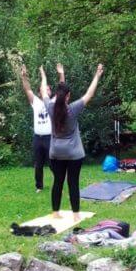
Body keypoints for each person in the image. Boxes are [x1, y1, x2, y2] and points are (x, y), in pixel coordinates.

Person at [40, 63, 104, 222]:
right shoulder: (73, 109)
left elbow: (43, 91)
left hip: (56, 152)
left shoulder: (50, 107)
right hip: (74, 153)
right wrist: (97, 75)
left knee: (58, 182)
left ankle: (55, 212)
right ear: (68, 96)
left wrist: (43, 75)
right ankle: (75, 214)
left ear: (56, 94)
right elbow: (89, 93)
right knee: (73, 183)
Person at [21, 63, 65, 192]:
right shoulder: (35, 102)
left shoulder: (53, 102)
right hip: (37, 138)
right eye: (44, 89)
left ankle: (59, 185)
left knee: (53, 164)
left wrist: (61, 73)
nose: (47, 91)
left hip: (50, 138)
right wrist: (24, 77)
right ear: (40, 92)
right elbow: (27, 89)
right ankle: (39, 186)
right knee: (38, 164)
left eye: (49, 89)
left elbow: (62, 88)